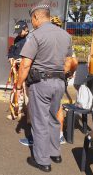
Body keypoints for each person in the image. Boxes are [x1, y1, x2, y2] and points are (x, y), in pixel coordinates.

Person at [15, 0, 76, 172]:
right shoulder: (65, 35)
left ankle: (43, 161)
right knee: (53, 118)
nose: (32, 23)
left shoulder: (36, 35)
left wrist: (19, 86)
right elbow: (69, 62)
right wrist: (65, 77)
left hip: (41, 84)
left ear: (36, 16)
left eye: (32, 19)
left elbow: (25, 65)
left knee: (40, 121)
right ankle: (55, 153)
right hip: (59, 83)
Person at [19, 16, 78, 146]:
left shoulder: (41, 36)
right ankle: (59, 136)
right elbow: (74, 62)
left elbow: (26, 62)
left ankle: (36, 140)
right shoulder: (64, 38)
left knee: (38, 111)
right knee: (56, 109)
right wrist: (67, 73)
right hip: (59, 80)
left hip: (40, 80)